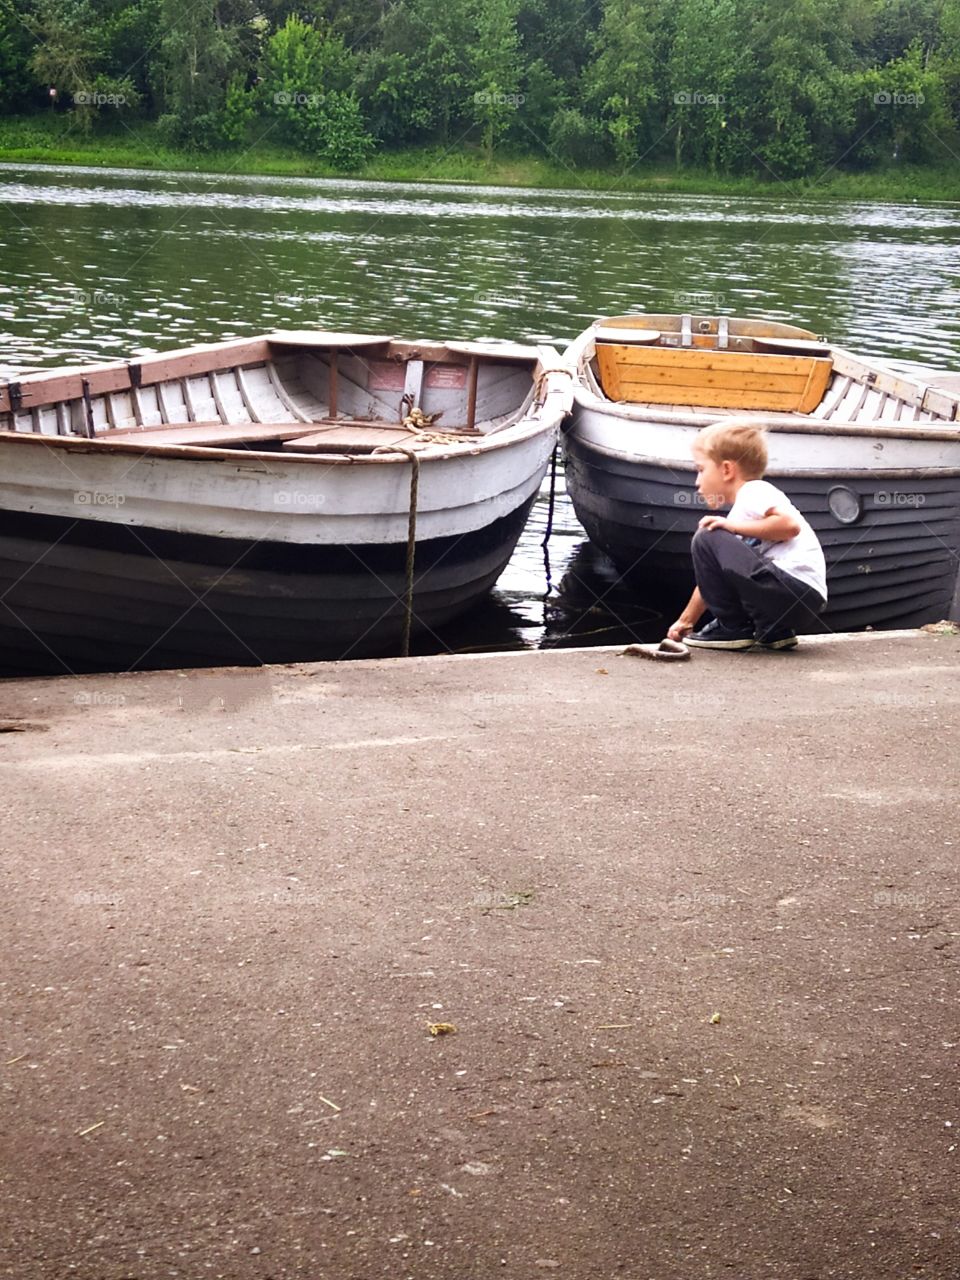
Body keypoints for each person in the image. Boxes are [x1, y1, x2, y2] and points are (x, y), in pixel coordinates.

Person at [667, 422, 827, 651]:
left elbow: (789, 527)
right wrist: (686, 620)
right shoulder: (743, 513)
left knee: (706, 537)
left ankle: (732, 628)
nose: (697, 482)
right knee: (720, 548)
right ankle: (774, 631)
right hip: (805, 604)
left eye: (701, 469)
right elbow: (710, 579)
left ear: (726, 470)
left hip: (791, 590)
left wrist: (731, 527)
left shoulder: (754, 491)